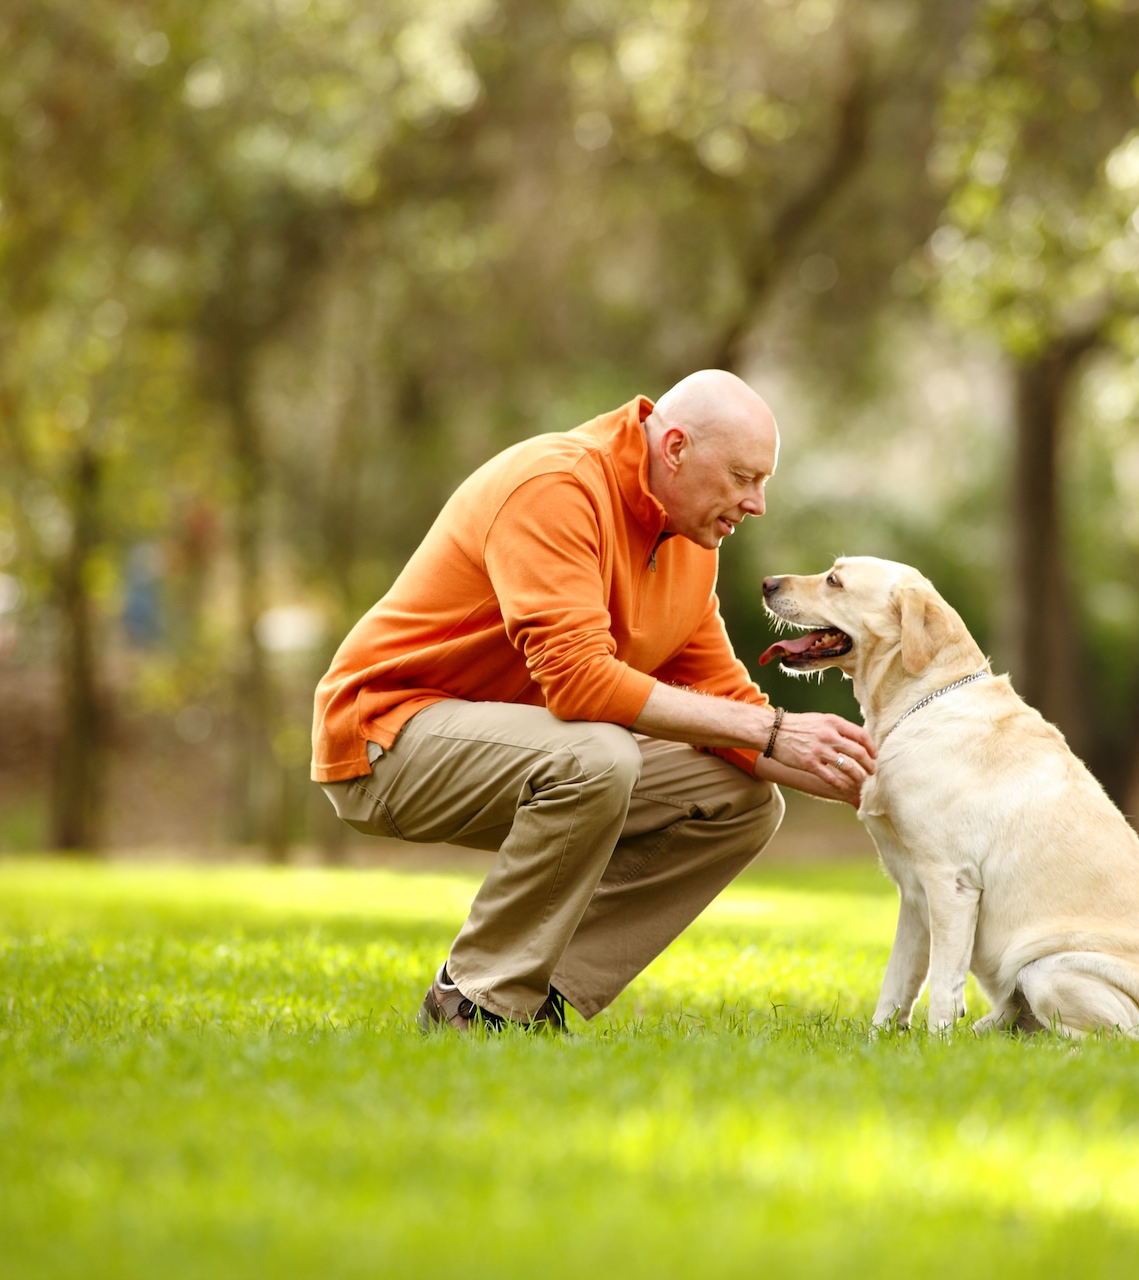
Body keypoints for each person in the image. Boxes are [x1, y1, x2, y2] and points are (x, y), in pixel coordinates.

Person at [310, 370, 876, 1033]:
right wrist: (774, 728)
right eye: (743, 478)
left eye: (763, 483)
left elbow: (724, 704)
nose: (757, 504)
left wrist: (883, 784)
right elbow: (578, 682)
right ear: (674, 448)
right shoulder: (556, 487)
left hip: (528, 754)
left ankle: (534, 998)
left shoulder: (690, 545)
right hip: (386, 740)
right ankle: (473, 1002)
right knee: (599, 754)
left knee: (741, 801)